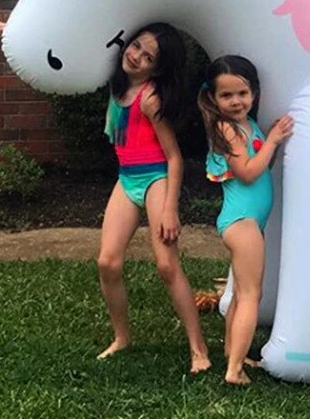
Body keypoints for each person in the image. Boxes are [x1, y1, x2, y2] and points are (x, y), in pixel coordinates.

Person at [97, 22, 211, 374]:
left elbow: (174, 157)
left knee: (166, 265)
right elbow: (75, 45)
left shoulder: (149, 99)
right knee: (107, 263)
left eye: (148, 57)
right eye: (136, 47)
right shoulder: (114, 82)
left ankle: (199, 349)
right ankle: (122, 338)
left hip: (155, 179)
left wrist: (170, 209)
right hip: (126, 178)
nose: (137, 57)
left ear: (157, 70)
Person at [198, 55, 293, 385]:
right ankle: (234, 370)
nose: (236, 101)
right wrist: (273, 140)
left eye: (242, 93)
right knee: (252, 296)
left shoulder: (247, 124)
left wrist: (270, 143)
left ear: (254, 92)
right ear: (213, 98)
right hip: (242, 222)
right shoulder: (226, 128)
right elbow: (248, 173)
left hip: (246, 221)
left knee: (240, 294)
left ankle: (232, 353)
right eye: (226, 95)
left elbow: (262, 165)